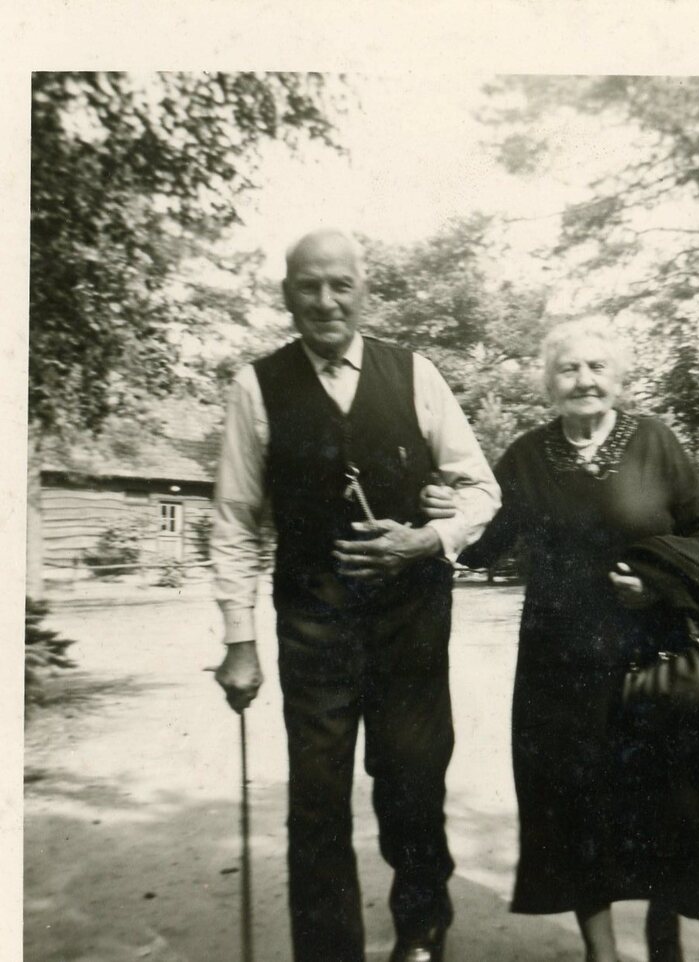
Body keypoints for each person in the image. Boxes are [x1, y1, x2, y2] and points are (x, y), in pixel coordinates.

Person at [423, 318, 699, 962]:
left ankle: (665, 941)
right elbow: (486, 541)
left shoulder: (656, 441)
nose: (584, 380)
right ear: (549, 383)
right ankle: (600, 953)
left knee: (673, 800)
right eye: (569, 368)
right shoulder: (526, 456)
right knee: (573, 804)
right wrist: (449, 511)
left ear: (619, 378)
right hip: (560, 666)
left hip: (657, 653)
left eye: (597, 367)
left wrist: (657, 583)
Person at [211, 227, 500, 962]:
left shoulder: (415, 375)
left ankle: (421, 930)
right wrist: (239, 641)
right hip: (313, 623)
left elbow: (480, 489)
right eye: (308, 286)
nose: (325, 300)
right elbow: (235, 519)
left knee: (411, 781)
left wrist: (428, 539)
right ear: (287, 295)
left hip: (411, 621)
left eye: (340, 284)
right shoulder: (255, 387)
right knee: (316, 800)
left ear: (363, 291)